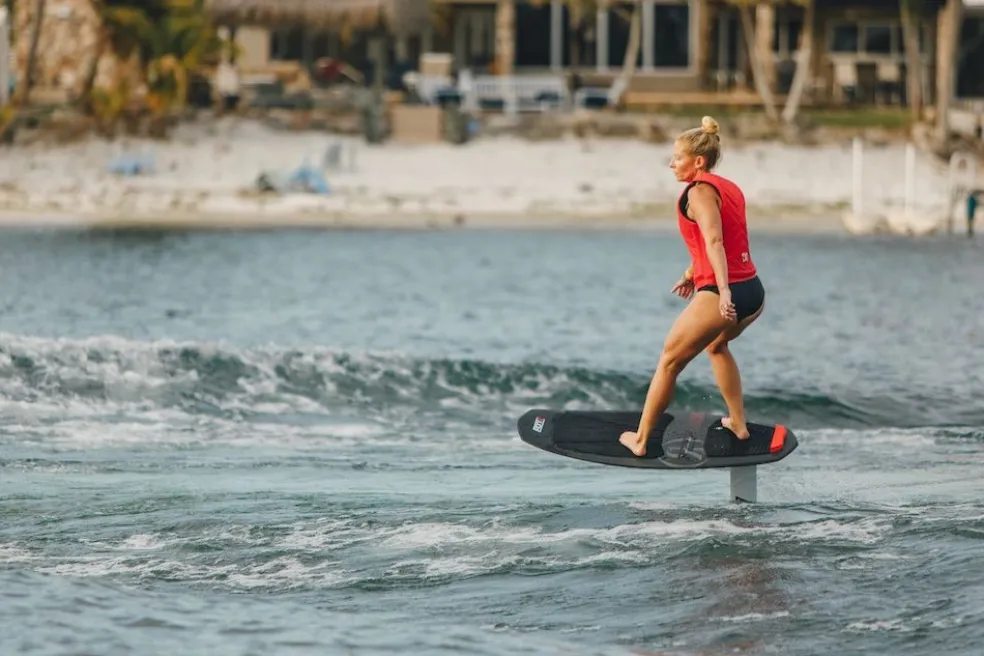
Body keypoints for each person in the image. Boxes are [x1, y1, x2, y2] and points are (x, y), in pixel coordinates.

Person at [619, 116, 765, 457]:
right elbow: (725, 241)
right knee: (717, 346)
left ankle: (640, 440)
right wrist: (691, 273)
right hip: (753, 290)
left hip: (725, 292)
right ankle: (738, 422)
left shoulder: (698, 193)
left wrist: (722, 291)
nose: (671, 164)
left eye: (677, 157)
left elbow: (715, 241)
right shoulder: (728, 187)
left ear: (698, 161)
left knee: (669, 361)